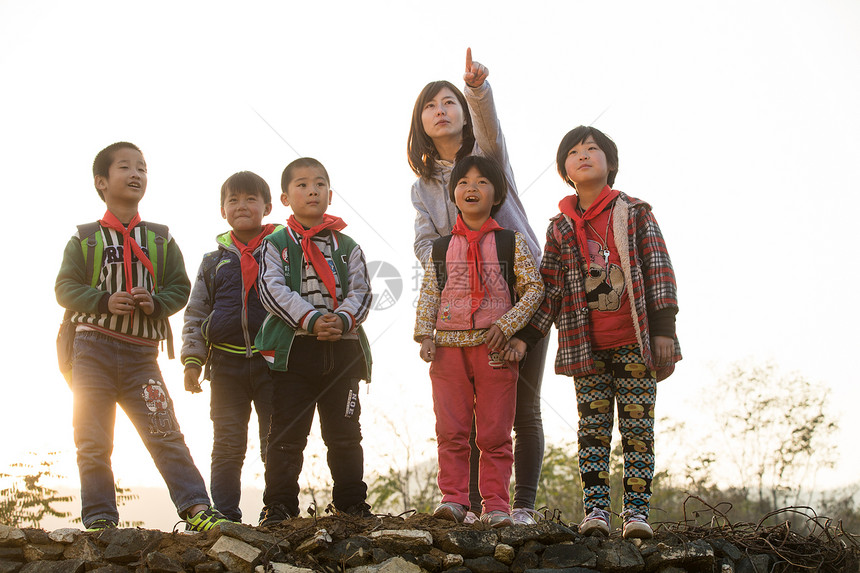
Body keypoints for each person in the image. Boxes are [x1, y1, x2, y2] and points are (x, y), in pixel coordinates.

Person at [512, 126, 681, 539]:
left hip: (635, 344)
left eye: (593, 149)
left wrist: (664, 329)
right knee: (591, 432)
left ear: (610, 162)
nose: (583, 154)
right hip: (586, 348)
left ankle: (637, 514)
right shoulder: (559, 228)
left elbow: (659, 268)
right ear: (564, 169)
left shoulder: (635, 212)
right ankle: (597, 513)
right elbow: (548, 291)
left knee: (638, 430)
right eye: (573, 151)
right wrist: (526, 336)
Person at [408, 48, 548, 525]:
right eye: (430, 106)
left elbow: (489, 127)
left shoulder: (487, 157)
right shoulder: (423, 184)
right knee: (457, 417)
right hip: (457, 312)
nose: (440, 110)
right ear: (421, 123)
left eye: (449, 101)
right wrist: (455, 262)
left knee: (517, 410)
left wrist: (476, 89)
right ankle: (464, 505)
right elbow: (424, 242)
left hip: (520, 298)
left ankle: (518, 507)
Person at [55, 142, 227, 532]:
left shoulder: (161, 239)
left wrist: (156, 302)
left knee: (165, 432)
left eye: (143, 168)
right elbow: (64, 288)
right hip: (91, 350)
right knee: (93, 439)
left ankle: (197, 508)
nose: (136, 174)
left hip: (141, 356)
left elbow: (179, 287)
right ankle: (100, 518)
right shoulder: (85, 238)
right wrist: (101, 300)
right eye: (125, 167)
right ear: (101, 181)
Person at [255, 157, 373, 525]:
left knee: (345, 433)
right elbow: (270, 289)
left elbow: (363, 291)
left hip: (343, 350)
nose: (312, 190)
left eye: (319, 184)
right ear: (286, 198)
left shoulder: (347, 244)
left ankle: (351, 503)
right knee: (287, 434)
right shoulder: (275, 244)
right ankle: (279, 505)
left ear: (330, 194)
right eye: (302, 184)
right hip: (295, 353)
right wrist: (311, 319)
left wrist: (340, 319)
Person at [181, 171, 278, 523]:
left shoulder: (283, 250)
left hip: (274, 363)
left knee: (276, 442)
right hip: (224, 366)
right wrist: (192, 361)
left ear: (267, 206)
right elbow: (196, 313)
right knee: (227, 444)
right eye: (233, 200)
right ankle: (224, 515)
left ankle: (278, 510)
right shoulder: (213, 261)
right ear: (222, 210)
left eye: (251, 199)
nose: (242, 206)